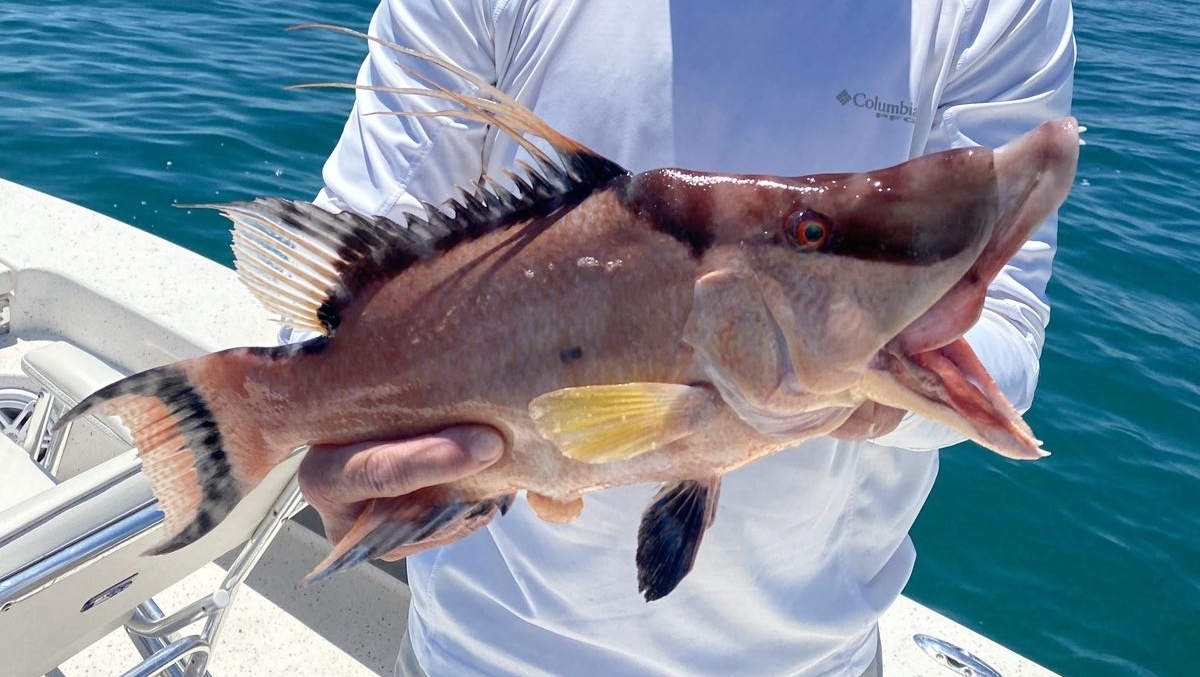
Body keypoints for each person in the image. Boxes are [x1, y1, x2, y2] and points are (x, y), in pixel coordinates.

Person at [297, 1, 1075, 675]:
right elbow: (341, 269)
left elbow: (1004, 332)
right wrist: (341, 445)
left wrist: (879, 386)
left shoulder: (993, 9)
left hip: (809, 662)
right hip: (478, 649)